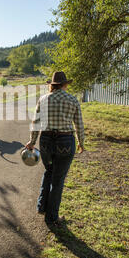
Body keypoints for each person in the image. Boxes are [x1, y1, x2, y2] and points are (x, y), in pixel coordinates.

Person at [25, 71, 85, 226]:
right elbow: (79, 124)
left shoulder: (43, 99)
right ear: (65, 84)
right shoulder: (72, 100)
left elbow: (35, 122)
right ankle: (52, 217)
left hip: (45, 141)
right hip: (65, 141)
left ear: (52, 84)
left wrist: (32, 141)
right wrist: (81, 142)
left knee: (49, 171)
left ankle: (42, 207)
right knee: (57, 180)